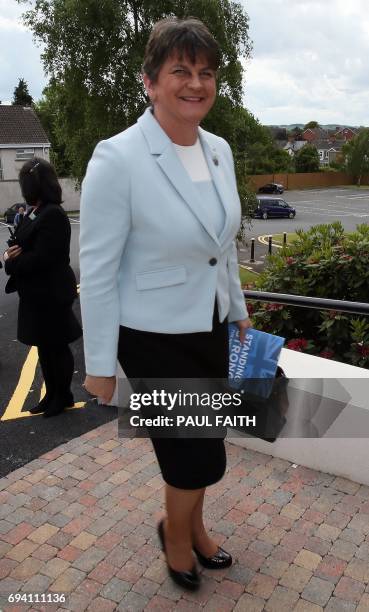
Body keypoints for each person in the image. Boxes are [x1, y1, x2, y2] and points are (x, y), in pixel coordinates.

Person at [80, 17, 251, 590]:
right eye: (180, 70)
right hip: (151, 334)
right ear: (150, 81)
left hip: (209, 325)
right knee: (192, 457)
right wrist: (101, 365)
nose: (195, 83)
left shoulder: (220, 150)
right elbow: (98, 270)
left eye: (205, 73)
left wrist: (239, 309)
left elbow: (220, 246)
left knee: (206, 445)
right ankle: (175, 535)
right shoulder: (119, 157)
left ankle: (194, 528)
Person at [3, 158, 82, 418]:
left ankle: (63, 395)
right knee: (44, 346)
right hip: (36, 293)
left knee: (56, 345)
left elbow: (44, 258)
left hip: (52, 292)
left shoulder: (53, 214)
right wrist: (12, 254)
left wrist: (12, 260)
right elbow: (18, 242)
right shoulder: (34, 211)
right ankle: (51, 394)